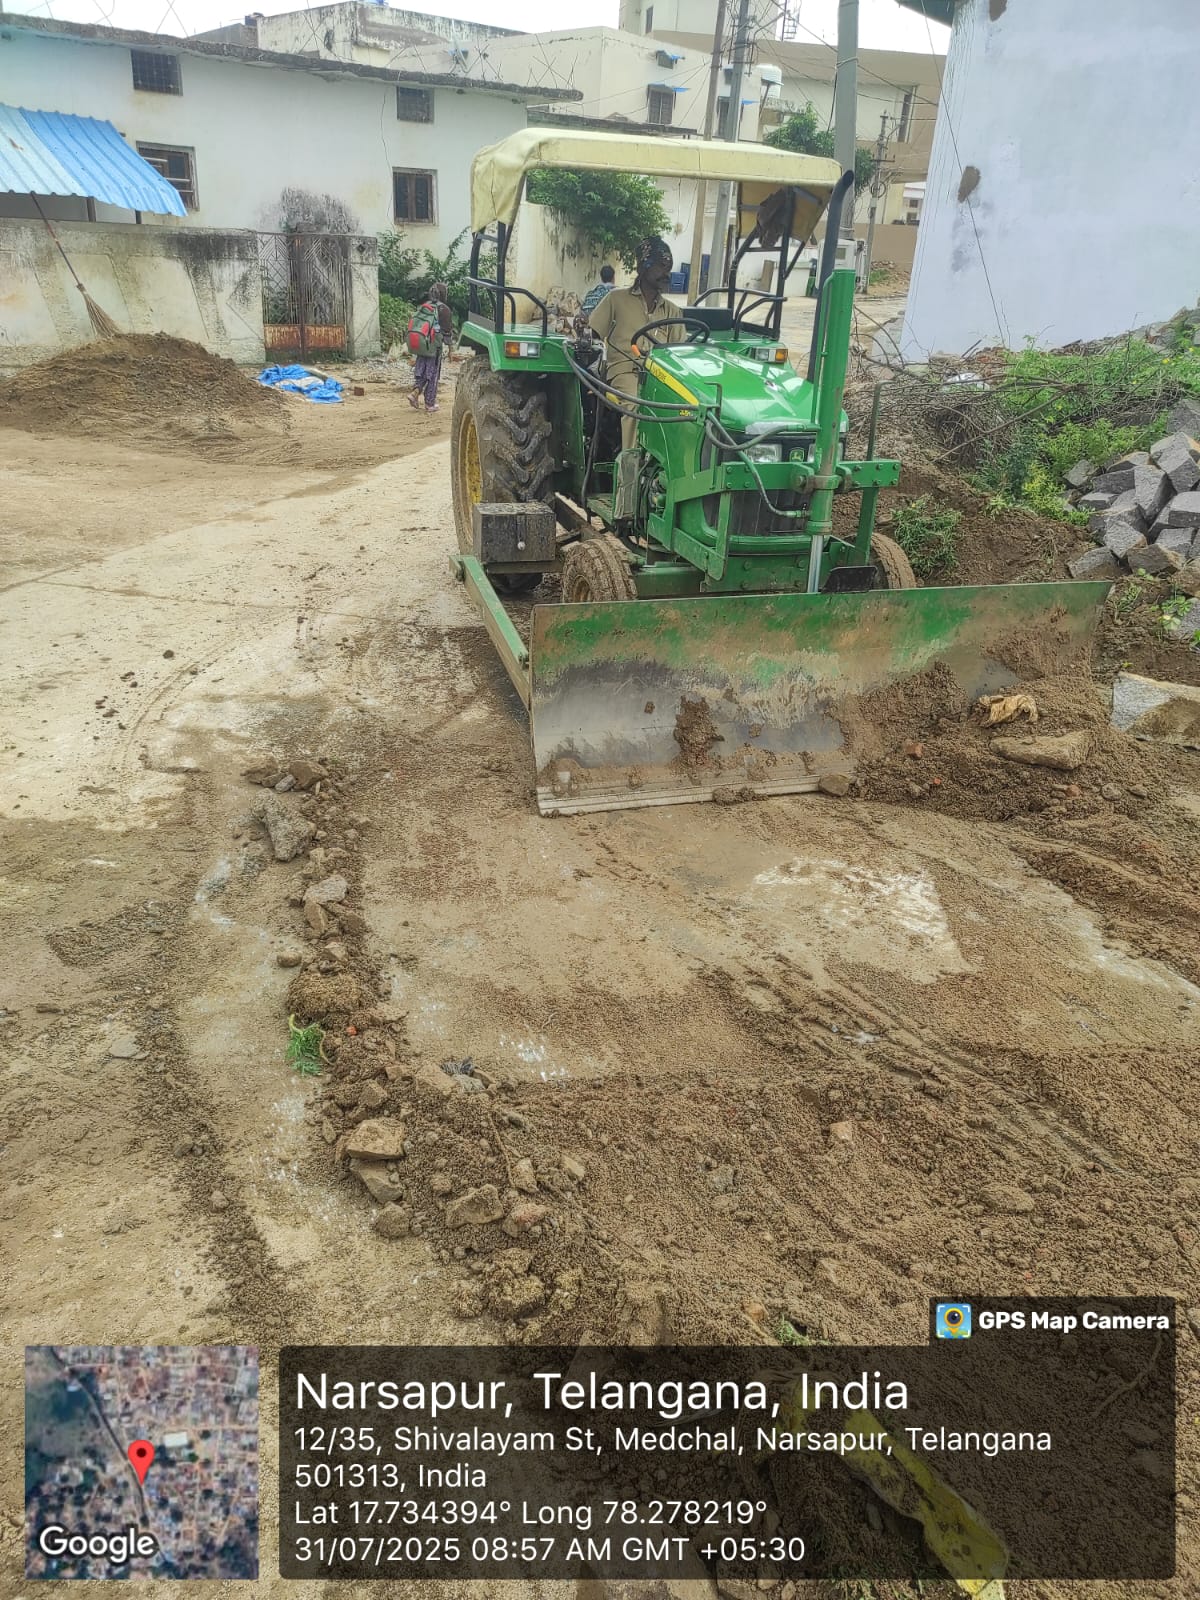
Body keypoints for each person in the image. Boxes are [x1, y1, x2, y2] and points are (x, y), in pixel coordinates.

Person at [587, 238, 683, 450]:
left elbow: (680, 353)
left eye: (668, 267)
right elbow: (592, 334)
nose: (666, 273)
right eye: (661, 267)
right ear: (644, 268)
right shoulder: (615, 299)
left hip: (661, 376)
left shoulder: (673, 311)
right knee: (637, 404)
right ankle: (631, 465)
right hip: (624, 371)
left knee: (686, 409)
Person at [408, 280, 453, 413]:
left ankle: (415, 393)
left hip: (422, 344)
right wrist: (451, 350)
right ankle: (429, 403)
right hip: (434, 346)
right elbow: (447, 333)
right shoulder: (444, 309)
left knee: (421, 369)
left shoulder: (425, 305)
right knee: (432, 374)